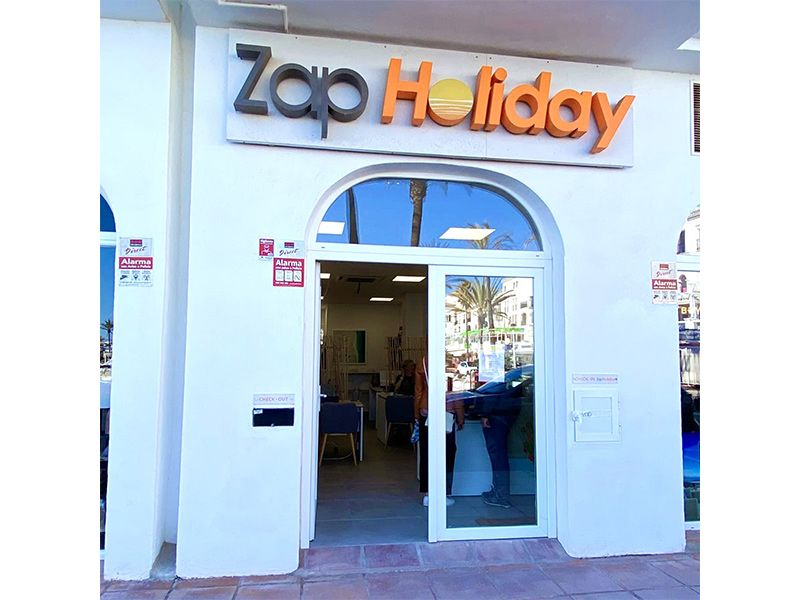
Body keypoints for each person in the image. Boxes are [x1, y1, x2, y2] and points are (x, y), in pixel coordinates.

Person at [415, 356, 464, 506]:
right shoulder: (451, 363)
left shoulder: (423, 361)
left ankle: (428, 494)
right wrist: (461, 417)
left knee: (427, 453)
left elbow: (418, 390)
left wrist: (417, 414)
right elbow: (456, 392)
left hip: (425, 409)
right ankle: (443, 493)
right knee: (447, 453)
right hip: (446, 410)